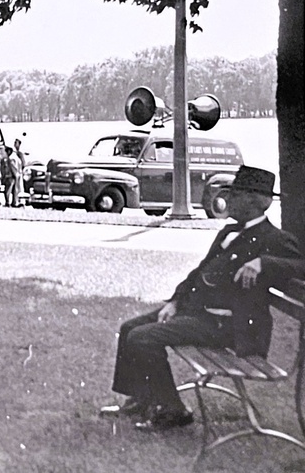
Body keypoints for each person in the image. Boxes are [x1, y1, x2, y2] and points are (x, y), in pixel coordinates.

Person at [100, 165, 305, 431]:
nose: (228, 199)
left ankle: (174, 410)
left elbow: (301, 265)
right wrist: (174, 302)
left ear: (256, 201)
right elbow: (200, 271)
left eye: (236, 194)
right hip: (197, 313)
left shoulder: (275, 239)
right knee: (130, 327)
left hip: (230, 327)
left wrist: (264, 262)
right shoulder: (229, 231)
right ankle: (140, 399)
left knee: (144, 337)